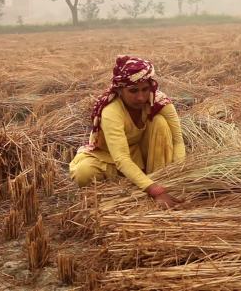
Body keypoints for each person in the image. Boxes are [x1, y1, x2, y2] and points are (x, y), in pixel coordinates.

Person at [69, 55, 186, 208]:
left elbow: (178, 141)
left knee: (160, 122)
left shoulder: (159, 101)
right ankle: (141, 182)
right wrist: (154, 190)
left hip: (140, 151)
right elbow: (121, 158)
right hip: (109, 156)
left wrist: (179, 174)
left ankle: (159, 175)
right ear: (119, 90)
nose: (140, 97)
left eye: (145, 89)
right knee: (83, 173)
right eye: (133, 91)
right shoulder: (112, 110)